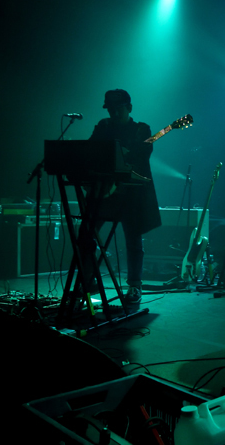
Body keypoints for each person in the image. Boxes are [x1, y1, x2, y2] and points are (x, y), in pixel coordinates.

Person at [79, 89, 162, 305]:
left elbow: (143, 154)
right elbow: (89, 150)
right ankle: (88, 283)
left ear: (129, 108)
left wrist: (126, 154)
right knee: (86, 234)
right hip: (103, 192)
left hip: (129, 195)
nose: (114, 114)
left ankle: (135, 286)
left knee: (133, 239)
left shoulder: (141, 129)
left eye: (119, 109)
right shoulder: (103, 126)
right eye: (111, 110)